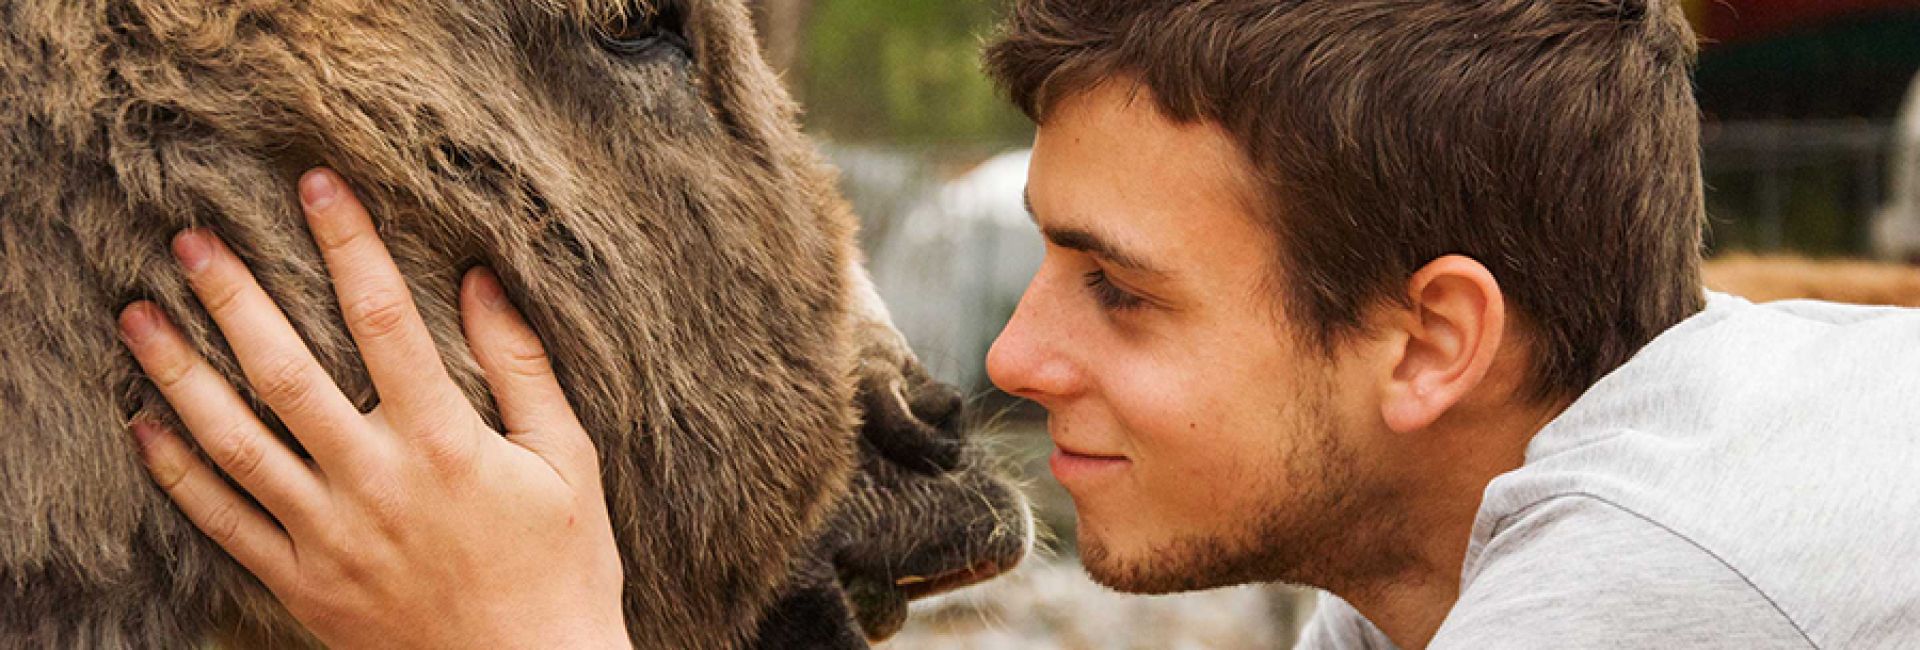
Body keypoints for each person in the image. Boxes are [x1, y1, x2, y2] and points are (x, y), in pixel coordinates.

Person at [118, 1, 1920, 648]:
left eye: (1119, 290)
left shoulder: (1666, 586)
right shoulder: (1442, 575)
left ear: (1431, 343)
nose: (1010, 358)